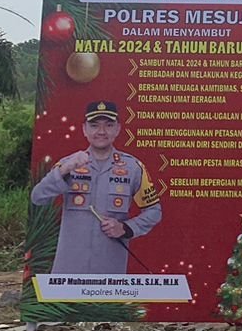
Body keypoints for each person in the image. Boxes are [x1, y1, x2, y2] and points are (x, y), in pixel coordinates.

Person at [31, 100, 162, 275]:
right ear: (84, 129)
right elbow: (38, 197)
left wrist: (126, 228)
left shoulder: (133, 168)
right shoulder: (68, 164)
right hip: (69, 270)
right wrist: (64, 170)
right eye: (94, 125)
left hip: (109, 270)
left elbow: (154, 211)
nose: (101, 131)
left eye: (109, 125)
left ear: (118, 129)